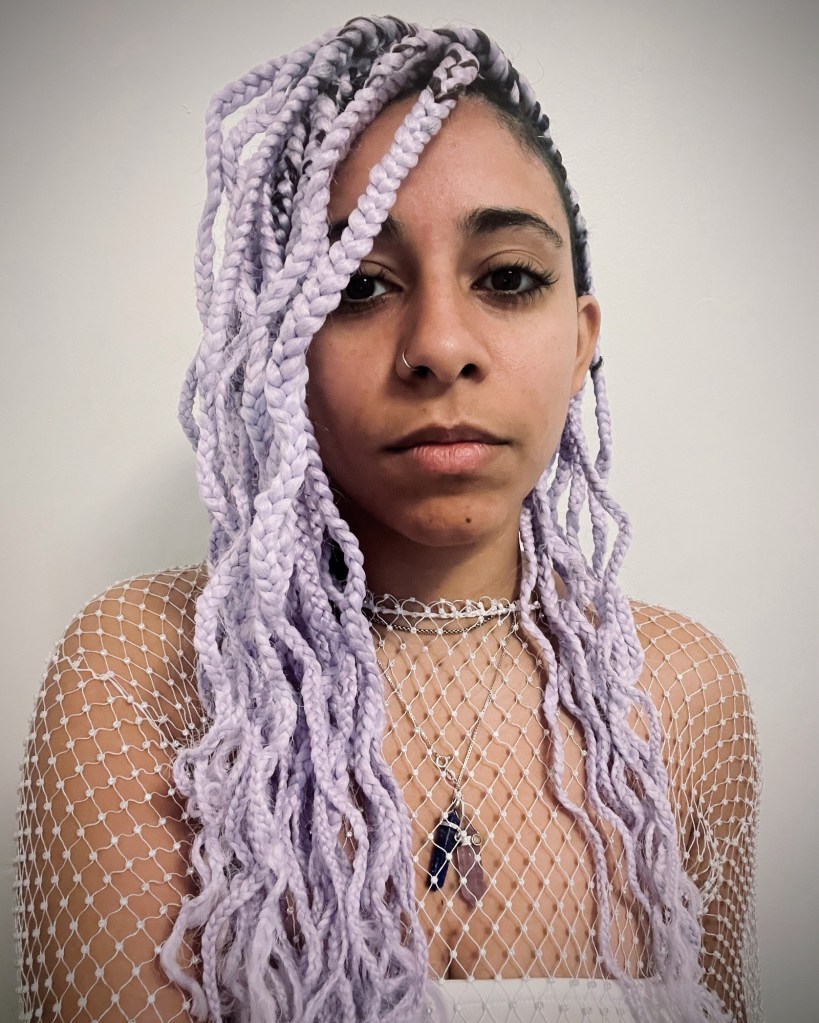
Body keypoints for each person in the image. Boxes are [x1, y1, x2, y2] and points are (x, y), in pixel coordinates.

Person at [14, 15, 762, 1023]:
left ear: (580, 337)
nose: (441, 346)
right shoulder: (146, 675)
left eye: (507, 278)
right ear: (279, 346)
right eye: (359, 286)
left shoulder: (678, 695)